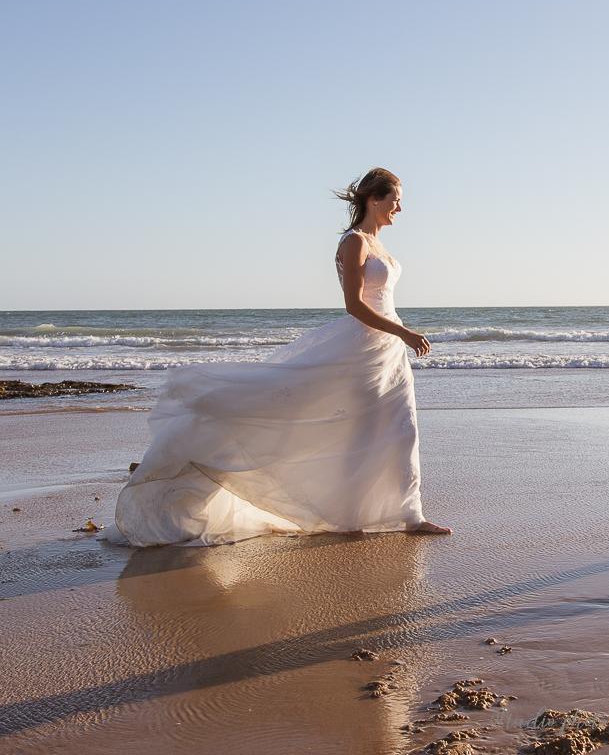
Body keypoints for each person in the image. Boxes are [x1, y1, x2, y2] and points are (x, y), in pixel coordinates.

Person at [115, 167, 451, 545]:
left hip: (387, 351)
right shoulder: (354, 242)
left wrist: (397, 335)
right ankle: (348, 517)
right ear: (374, 200)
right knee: (357, 430)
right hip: (363, 346)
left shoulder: (381, 245)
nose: (400, 209)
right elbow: (355, 305)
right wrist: (403, 332)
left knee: (399, 429)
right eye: (396, 201)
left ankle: (410, 515)